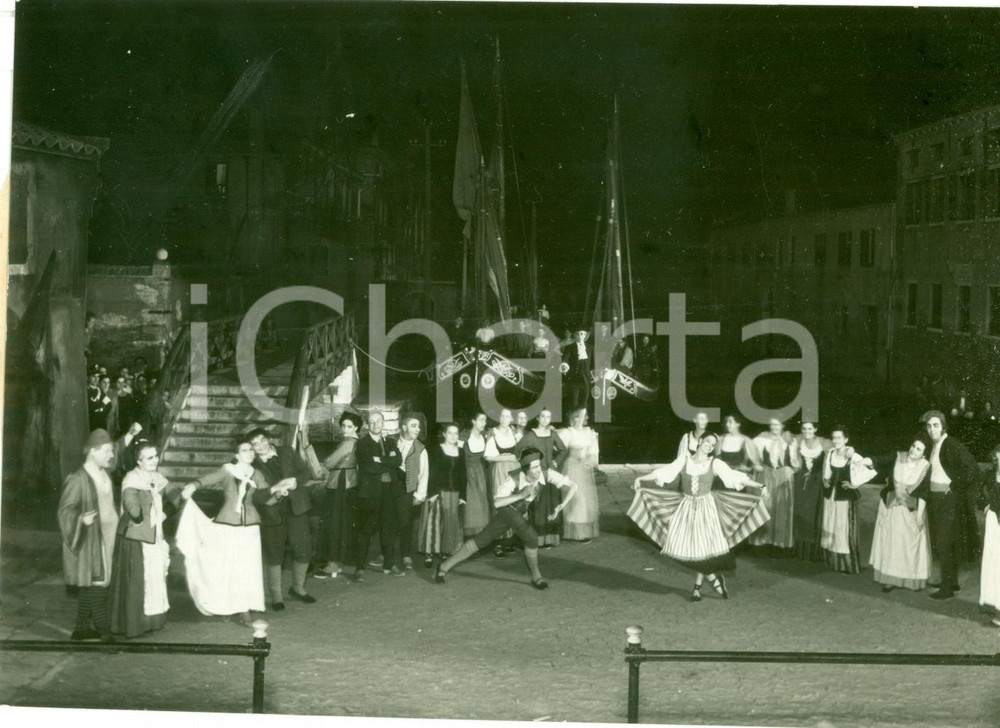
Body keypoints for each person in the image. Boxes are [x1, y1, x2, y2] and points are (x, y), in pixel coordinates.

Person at [629, 433, 769, 602]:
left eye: (713, 444)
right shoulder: (684, 460)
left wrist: (760, 485)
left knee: (702, 549)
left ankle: (697, 588)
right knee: (685, 548)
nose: (710, 445)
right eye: (708, 441)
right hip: (686, 507)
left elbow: (735, 477)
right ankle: (712, 578)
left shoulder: (715, 463)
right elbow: (664, 473)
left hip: (706, 508)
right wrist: (641, 478)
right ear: (700, 441)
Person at [434, 448, 578, 589]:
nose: (539, 469)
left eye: (539, 465)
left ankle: (444, 566)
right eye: (534, 467)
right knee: (532, 537)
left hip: (514, 514)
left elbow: (573, 486)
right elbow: (497, 503)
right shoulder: (513, 479)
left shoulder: (545, 474)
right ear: (526, 469)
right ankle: (536, 577)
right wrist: (520, 495)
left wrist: (561, 506)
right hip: (507, 510)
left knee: (481, 540)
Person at [175, 436, 268, 624]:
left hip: (250, 528)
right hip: (227, 526)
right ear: (236, 454)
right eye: (244, 450)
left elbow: (266, 497)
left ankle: (243, 609)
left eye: (251, 450)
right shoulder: (228, 471)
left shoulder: (257, 473)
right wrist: (194, 485)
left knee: (248, 569)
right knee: (227, 567)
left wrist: (280, 492)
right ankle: (226, 607)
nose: (249, 453)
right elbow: (208, 480)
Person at [58, 429, 121, 642]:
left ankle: (81, 629)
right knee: (96, 585)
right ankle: (105, 632)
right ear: (92, 451)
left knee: (92, 583)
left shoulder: (104, 474)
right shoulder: (78, 479)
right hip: (91, 540)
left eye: (111, 451)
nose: (111, 455)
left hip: (108, 536)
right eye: (106, 451)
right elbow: (64, 510)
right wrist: (81, 519)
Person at [108, 441, 175, 638]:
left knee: (154, 577)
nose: (154, 460)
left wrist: (165, 513)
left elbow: (174, 496)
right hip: (135, 537)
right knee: (137, 581)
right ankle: (133, 624)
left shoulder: (158, 478)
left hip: (154, 535)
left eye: (155, 456)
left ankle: (152, 621)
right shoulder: (132, 478)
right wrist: (141, 518)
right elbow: (132, 507)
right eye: (149, 457)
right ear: (138, 461)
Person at [248, 427, 317, 607]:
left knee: (303, 547)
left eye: (263, 440)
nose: (261, 446)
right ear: (252, 448)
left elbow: (306, 472)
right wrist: (275, 489)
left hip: (297, 507)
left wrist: (296, 482)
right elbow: (256, 496)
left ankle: (298, 588)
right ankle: (276, 596)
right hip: (271, 512)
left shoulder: (286, 452)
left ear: (270, 439)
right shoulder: (251, 465)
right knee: (274, 553)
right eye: (255, 444)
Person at [921, 410, 982, 600]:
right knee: (947, 542)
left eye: (936, 425)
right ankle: (951, 582)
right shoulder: (936, 445)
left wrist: (954, 485)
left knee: (944, 542)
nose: (932, 429)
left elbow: (973, 469)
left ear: (944, 426)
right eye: (929, 426)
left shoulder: (951, 445)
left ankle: (946, 589)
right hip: (937, 500)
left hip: (947, 500)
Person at [862, 435, 932, 592]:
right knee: (892, 544)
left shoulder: (925, 467)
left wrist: (920, 516)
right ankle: (890, 579)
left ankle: (911, 579)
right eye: (913, 446)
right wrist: (866, 461)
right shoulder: (898, 457)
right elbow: (880, 460)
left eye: (919, 449)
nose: (913, 450)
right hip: (892, 507)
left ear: (924, 454)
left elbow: (924, 494)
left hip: (912, 510)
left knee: (909, 546)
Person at [351, 410, 402, 581]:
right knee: (366, 530)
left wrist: (380, 459)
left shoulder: (389, 441)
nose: (375, 424)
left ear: (383, 423)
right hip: (370, 494)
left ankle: (389, 565)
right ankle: (359, 569)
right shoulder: (362, 443)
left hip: (389, 492)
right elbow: (368, 467)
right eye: (371, 421)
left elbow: (398, 461)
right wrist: (388, 461)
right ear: (367, 424)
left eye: (378, 421)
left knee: (389, 528)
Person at [312, 412, 362, 579]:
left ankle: (332, 564)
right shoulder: (356, 442)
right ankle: (338, 562)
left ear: (356, 427)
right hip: (350, 482)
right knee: (343, 522)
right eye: (343, 426)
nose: (345, 429)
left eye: (349, 426)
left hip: (340, 482)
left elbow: (329, 462)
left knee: (334, 522)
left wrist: (326, 460)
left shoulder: (348, 443)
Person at [820, 426, 870, 574]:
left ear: (846, 439)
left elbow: (869, 470)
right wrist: (826, 481)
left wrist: (854, 484)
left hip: (845, 498)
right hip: (831, 497)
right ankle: (833, 563)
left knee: (843, 529)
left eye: (839, 438)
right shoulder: (830, 454)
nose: (836, 441)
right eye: (834, 438)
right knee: (831, 526)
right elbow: (826, 474)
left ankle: (846, 565)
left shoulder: (852, 455)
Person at [517, 408, 569, 548]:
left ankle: (551, 539)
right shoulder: (530, 436)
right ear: (538, 418)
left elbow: (563, 450)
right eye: (543, 416)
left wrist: (556, 461)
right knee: (538, 507)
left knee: (552, 505)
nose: (545, 419)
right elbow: (518, 451)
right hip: (537, 476)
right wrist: (529, 467)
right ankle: (538, 540)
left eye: (548, 417)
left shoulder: (552, 434)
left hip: (551, 475)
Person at [419, 423, 468, 569]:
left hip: (455, 492)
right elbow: (431, 473)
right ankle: (429, 554)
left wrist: (463, 495)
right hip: (439, 491)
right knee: (434, 522)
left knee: (449, 522)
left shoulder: (460, 451)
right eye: (450, 433)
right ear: (444, 435)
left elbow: (462, 475)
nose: (453, 436)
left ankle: (444, 551)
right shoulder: (436, 450)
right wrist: (432, 492)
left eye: (456, 433)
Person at [750, 418, 799, 554]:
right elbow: (751, 451)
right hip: (766, 474)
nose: (774, 427)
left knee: (782, 508)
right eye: (772, 424)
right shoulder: (761, 439)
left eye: (777, 424)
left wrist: (791, 470)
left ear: (783, 426)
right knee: (765, 507)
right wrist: (757, 465)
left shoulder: (790, 440)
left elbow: (795, 461)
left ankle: (780, 544)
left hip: (784, 476)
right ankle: (762, 543)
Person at [557, 407, 600, 542]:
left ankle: (584, 531)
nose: (586, 417)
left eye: (586, 415)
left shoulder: (589, 432)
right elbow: (557, 447)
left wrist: (590, 461)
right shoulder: (568, 433)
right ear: (574, 418)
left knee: (586, 500)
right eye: (583, 415)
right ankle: (575, 532)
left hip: (585, 469)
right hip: (572, 468)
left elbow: (594, 452)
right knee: (576, 499)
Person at [791, 421, 831, 562]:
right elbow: (794, 460)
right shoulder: (797, 441)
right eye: (804, 428)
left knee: (814, 513)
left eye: (810, 428)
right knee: (801, 513)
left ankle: (813, 552)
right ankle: (799, 550)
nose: (807, 431)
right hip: (802, 482)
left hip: (817, 483)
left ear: (816, 429)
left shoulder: (824, 443)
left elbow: (835, 455)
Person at [485, 409, 522, 556]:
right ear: (498, 417)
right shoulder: (492, 433)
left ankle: (510, 541)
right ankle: (498, 544)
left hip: (514, 469)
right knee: (501, 503)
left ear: (511, 419)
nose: (505, 418)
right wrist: (507, 458)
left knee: (514, 503)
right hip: (500, 470)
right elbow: (488, 457)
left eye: (508, 416)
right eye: (502, 416)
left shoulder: (514, 433)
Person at [394, 412, 428, 572]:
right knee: (387, 521)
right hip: (390, 489)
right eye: (414, 426)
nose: (417, 429)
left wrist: (419, 495)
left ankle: (405, 554)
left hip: (407, 491)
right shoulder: (391, 442)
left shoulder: (420, 449)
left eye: (419, 426)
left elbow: (424, 474)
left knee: (405, 523)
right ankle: (385, 553)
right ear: (404, 427)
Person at [978, 443, 1000, 626]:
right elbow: (978, 489)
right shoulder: (990, 475)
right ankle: (995, 605)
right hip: (993, 522)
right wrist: (985, 504)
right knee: (993, 561)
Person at [462, 412, 491, 539]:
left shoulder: (486, 436)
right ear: (473, 421)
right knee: (471, 506)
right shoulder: (463, 436)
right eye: (481, 420)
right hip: (467, 473)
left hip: (482, 474)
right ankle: (469, 538)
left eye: (485, 420)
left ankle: (481, 538)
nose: (484, 423)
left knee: (483, 505)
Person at [560, 329, 592, 411]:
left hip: (586, 379)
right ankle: (572, 423)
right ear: (575, 335)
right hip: (574, 379)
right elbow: (565, 359)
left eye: (582, 334)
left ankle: (580, 423)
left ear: (585, 336)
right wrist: (564, 365)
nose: (580, 336)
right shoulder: (569, 347)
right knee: (574, 403)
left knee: (584, 403)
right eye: (577, 334)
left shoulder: (590, 348)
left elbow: (594, 363)